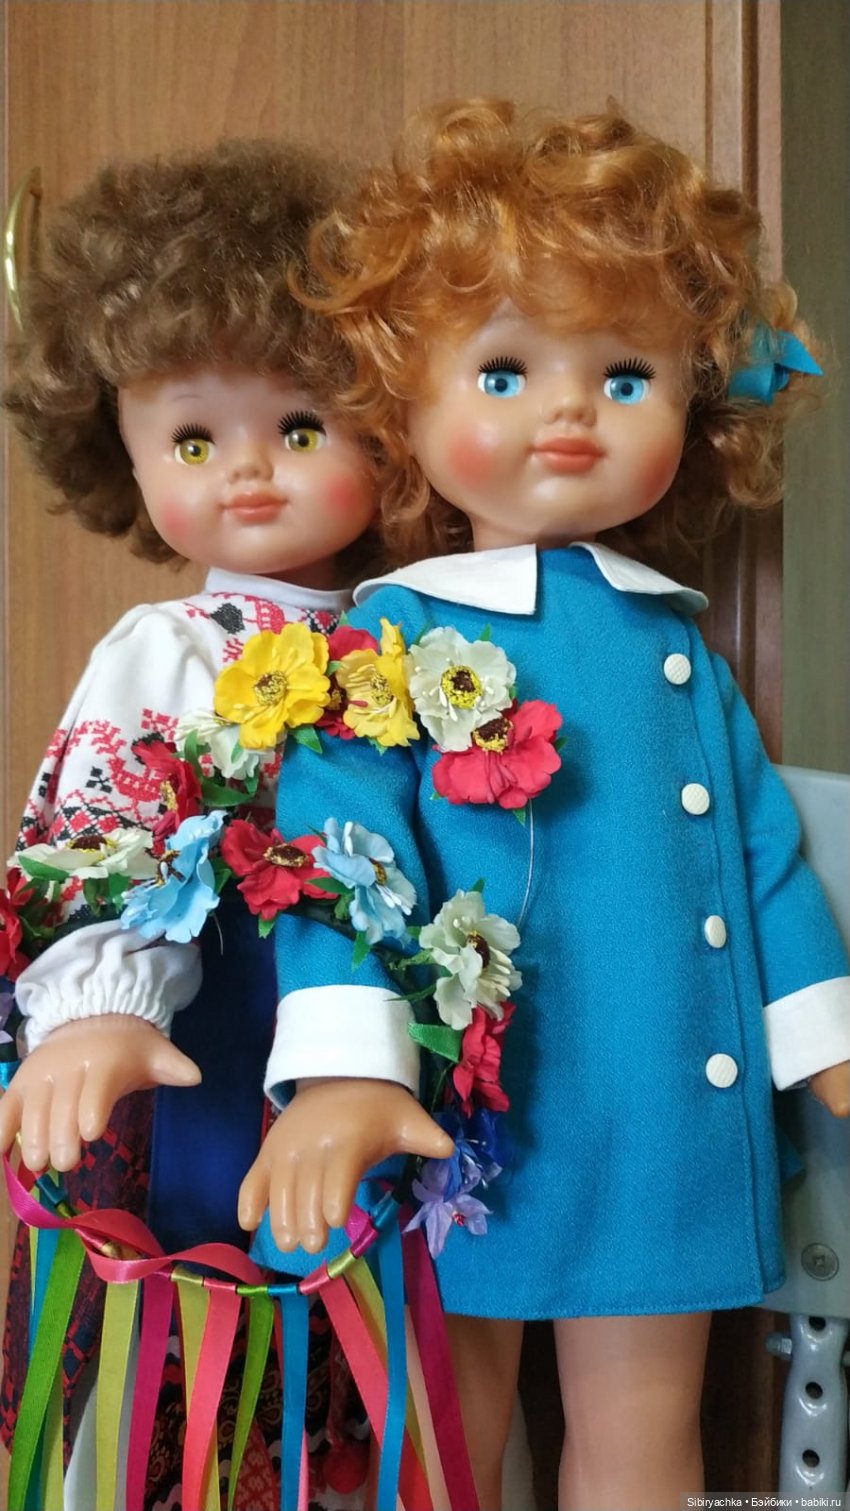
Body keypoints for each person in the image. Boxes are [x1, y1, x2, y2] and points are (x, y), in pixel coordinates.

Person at [236, 101, 850, 1511]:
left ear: (694, 405)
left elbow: (756, 856)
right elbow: (335, 855)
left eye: (625, 374)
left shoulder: (675, 641)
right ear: (406, 399)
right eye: (505, 370)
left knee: (643, 1433)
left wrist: (823, 1035)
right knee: (440, 1431)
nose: (570, 411)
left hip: (656, 1094)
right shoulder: (389, 635)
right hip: (464, 1111)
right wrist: (347, 1070)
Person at [0, 138, 447, 1509]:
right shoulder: (169, 647)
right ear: (124, 453)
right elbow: (99, 828)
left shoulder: (414, 642)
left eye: (299, 428)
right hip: (201, 1038)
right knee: (198, 1336)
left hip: (365, 1046)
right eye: (194, 441)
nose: (248, 473)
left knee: (358, 1347)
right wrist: (95, 1008)